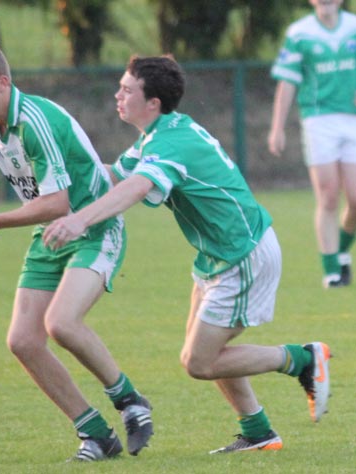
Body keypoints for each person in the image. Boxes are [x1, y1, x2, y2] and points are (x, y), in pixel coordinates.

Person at [42, 55, 331, 454]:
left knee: (200, 362)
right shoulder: (158, 135)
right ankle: (259, 433)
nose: (117, 95)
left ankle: (302, 359)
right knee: (202, 352)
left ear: (153, 102)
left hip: (242, 254)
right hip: (218, 255)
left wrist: (81, 221)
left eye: (127, 90)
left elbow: (138, 187)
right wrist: (48, 178)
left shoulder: (169, 142)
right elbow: (109, 177)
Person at [0, 40, 154, 462]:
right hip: (50, 235)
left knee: (61, 322)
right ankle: (96, 434)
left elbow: (58, 202)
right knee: (24, 341)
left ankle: (131, 401)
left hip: (92, 226)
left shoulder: (34, 120)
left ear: (3, 82)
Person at [268, 0, 356, 289]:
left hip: (352, 119)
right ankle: (331, 270)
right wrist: (277, 127)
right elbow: (288, 82)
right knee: (329, 195)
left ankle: (342, 249)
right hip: (319, 121)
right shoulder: (299, 33)